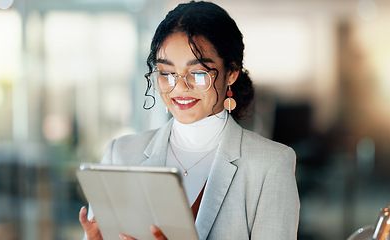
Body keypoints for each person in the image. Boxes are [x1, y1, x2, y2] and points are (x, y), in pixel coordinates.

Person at [79, 1, 300, 239]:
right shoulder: (121, 154)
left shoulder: (270, 165)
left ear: (232, 73)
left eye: (198, 73)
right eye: (167, 73)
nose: (180, 88)